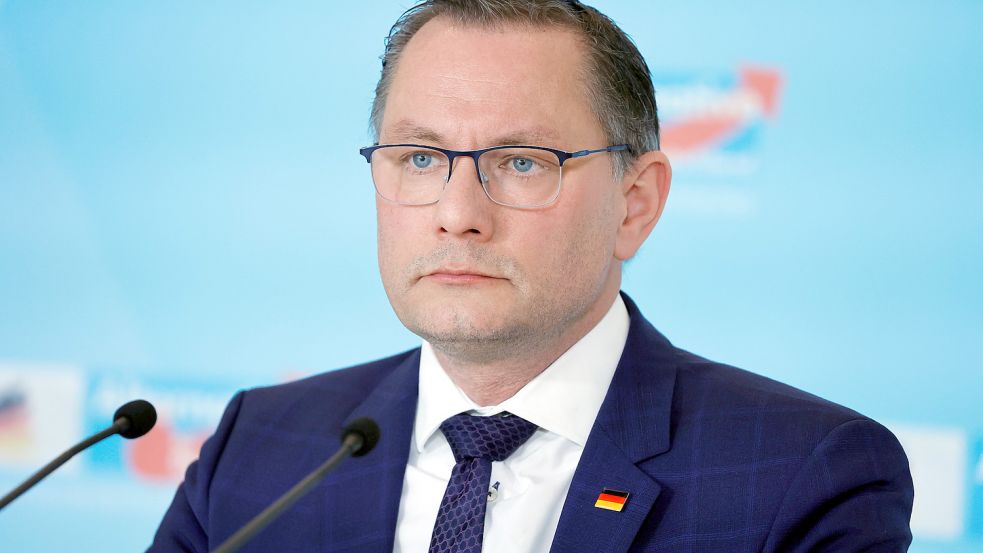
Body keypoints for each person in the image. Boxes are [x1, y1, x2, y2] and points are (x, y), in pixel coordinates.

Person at [150, 1, 914, 551]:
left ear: (634, 203)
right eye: (420, 157)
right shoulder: (264, 446)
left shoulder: (801, 474)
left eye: (521, 162)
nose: (457, 213)